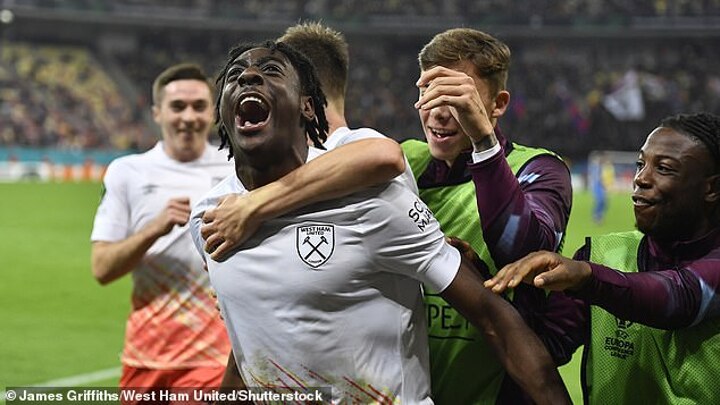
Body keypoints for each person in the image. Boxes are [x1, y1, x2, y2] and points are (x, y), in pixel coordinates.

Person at [190, 40, 570, 404]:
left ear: (309, 106)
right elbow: (252, 343)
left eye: (270, 71)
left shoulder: (372, 198)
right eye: (235, 74)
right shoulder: (209, 217)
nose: (248, 78)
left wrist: (485, 142)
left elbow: (496, 314)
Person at [486, 112, 720, 403]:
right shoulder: (604, 255)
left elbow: (679, 299)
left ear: (711, 188)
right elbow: (543, 347)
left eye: (664, 169)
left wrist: (586, 277)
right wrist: (478, 275)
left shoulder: (594, 272)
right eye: (640, 164)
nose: (641, 178)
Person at [403, 28, 578, 403]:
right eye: (429, 92)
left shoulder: (538, 169)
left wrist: (484, 141)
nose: (438, 112)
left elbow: (527, 253)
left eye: (456, 98)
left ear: (497, 104)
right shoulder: (402, 163)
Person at [199, 22, 413, 260]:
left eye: (272, 71)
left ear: (305, 92)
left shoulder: (355, 146)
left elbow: (386, 155)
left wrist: (253, 205)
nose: (253, 77)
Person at [89, 63, 232, 396]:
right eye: (177, 106)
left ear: (212, 112)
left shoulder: (236, 169)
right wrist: (154, 229)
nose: (188, 116)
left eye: (199, 106)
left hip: (214, 359)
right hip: (145, 356)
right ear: (157, 112)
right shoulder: (127, 172)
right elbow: (102, 268)